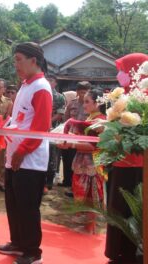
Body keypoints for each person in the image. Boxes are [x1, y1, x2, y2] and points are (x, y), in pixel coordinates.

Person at [0, 42, 52, 264]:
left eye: (19, 59)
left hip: (30, 161)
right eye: (15, 60)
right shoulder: (24, 85)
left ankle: (32, 252)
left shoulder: (42, 88)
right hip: (15, 157)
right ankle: (18, 242)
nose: (16, 64)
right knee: (13, 203)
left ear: (34, 60)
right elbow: (18, 120)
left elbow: (40, 127)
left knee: (28, 207)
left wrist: (22, 151)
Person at [105, 53, 148, 263]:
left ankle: (132, 254)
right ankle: (117, 253)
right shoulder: (125, 96)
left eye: (123, 69)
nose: (120, 74)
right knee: (117, 209)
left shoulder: (143, 97)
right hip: (120, 161)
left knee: (133, 210)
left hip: (138, 165)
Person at [58, 89, 106, 234]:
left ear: (97, 103)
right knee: (83, 193)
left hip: (92, 164)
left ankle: (90, 226)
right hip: (84, 162)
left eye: (87, 101)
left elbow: (94, 147)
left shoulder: (100, 122)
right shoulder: (91, 119)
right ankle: (87, 225)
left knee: (91, 194)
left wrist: (71, 143)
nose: (83, 105)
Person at [60, 81, 91, 193]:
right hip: (71, 136)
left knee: (81, 163)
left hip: (85, 139)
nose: (83, 94)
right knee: (69, 160)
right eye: (81, 92)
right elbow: (66, 119)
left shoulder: (91, 105)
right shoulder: (72, 104)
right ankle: (68, 182)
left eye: (86, 92)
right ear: (77, 92)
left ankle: (78, 188)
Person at [44, 75, 66, 194]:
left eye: (50, 80)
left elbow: (60, 114)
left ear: (55, 83)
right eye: (46, 80)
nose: (48, 82)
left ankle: (49, 180)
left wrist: (48, 122)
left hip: (54, 130)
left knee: (53, 155)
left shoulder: (60, 97)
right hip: (40, 130)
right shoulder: (41, 92)